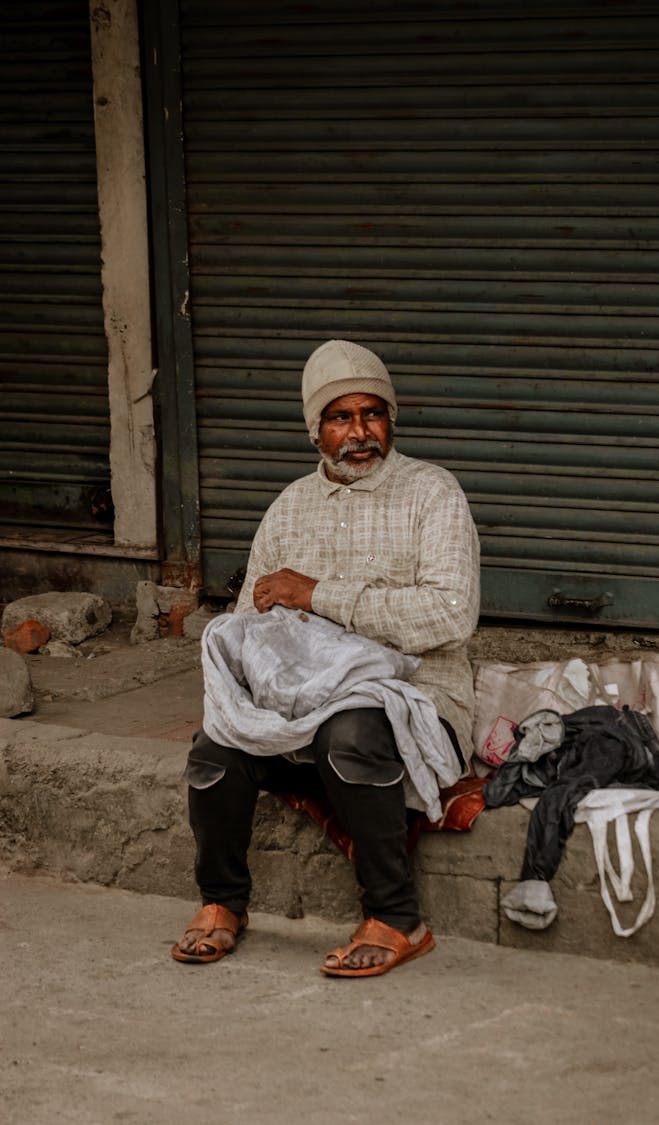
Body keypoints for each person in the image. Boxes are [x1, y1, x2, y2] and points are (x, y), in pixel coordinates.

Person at [172, 339, 480, 976]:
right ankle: (223, 902)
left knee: (353, 731)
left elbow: (450, 614)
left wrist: (317, 596)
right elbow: (250, 623)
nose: (361, 432)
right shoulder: (289, 508)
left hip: (415, 697)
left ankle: (397, 917)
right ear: (315, 430)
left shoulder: (433, 494)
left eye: (374, 414)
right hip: (300, 703)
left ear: (391, 419)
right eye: (341, 418)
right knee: (215, 748)